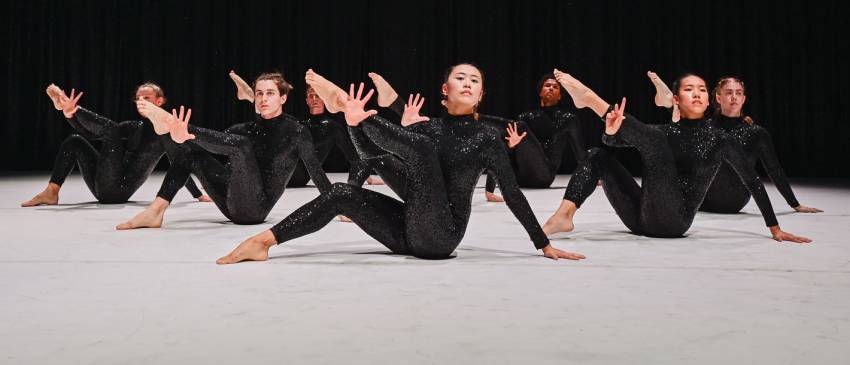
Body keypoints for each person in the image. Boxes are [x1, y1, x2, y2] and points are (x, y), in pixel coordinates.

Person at [215, 65, 586, 264]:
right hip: (408, 231)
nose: (468, 83)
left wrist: (543, 244)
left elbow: (513, 193)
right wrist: (356, 128)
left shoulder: (487, 137)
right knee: (345, 191)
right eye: (461, 78)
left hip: (442, 236)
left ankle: (348, 108)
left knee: (419, 149)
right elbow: (368, 156)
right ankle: (263, 242)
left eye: (475, 80)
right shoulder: (429, 128)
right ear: (445, 90)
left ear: (481, 94)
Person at [542, 70, 810, 243]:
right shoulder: (663, 132)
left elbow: (752, 181)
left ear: (709, 101)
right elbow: (614, 142)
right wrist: (611, 133)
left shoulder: (720, 139)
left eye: (702, 90)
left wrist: (775, 228)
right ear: (677, 100)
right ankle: (565, 215)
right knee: (597, 154)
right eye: (689, 89)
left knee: (654, 142)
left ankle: (591, 100)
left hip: (674, 222)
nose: (697, 93)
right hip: (640, 217)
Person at [120, 71, 331, 228]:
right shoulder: (244, 129)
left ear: (282, 98)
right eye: (259, 93)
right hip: (230, 201)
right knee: (190, 152)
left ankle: (181, 126)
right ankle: (155, 211)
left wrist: (337, 205)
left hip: (254, 211)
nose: (264, 98)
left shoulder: (296, 131)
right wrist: (186, 140)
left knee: (240, 144)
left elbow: (316, 171)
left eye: (270, 93)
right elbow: (215, 144)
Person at [22, 83, 207, 207]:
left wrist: (197, 195)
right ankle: (51, 191)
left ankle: (73, 109)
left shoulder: (164, 131)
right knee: (75, 141)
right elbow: (92, 134)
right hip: (103, 182)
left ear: (159, 101)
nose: (140, 101)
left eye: (147, 98)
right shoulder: (134, 127)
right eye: (138, 98)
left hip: (118, 191)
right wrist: (70, 117)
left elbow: (179, 162)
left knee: (111, 129)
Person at [700, 76, 822, 213]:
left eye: (738, 93)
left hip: (736, 201)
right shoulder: (705, 129)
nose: (734, 97)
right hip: (704, 201)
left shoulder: (756, 133)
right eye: (728, 93)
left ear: (743, 99)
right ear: (718, 98)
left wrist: (795, 204)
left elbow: (774, 169)